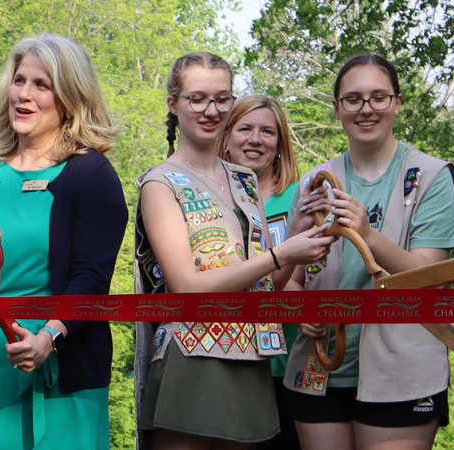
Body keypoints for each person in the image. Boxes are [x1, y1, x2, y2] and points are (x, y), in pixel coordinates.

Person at [0, 32, 125, 450]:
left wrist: (49, 337)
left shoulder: (91, 175)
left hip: (64, 367)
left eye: (42, 85)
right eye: (19, 81)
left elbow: (92, 279)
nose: (25, 94)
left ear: (70, 97)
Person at [133, 51, 333, 450]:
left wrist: (294, 238)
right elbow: (188, 288)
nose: (211, 110)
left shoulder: (243, 179)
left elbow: (262, 288)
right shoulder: (160, 184)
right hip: (193, 356)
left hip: (253, 357)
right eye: (197, 98)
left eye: (222, 98)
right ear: (173, 104)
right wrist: (281, 254)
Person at [282, 54, 454, 450]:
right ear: (337, 108)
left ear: (397, 102)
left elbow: (430, 280)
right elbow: (292, 282)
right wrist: (302, 309)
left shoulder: (431, 176)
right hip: (320, 369)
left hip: (402, 374)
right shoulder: (315, 183)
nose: (366, 109)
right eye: (353, 99)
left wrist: (368, 234)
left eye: (379, 97)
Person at [217, 95, 304, 450]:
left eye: (267, 132)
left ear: (280, 145)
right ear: (226, 137)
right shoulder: (208, 199)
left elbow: (320, 271)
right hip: (228, 359)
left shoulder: (302, 196)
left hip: (295, 362)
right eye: (245, 129)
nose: (255, 140)